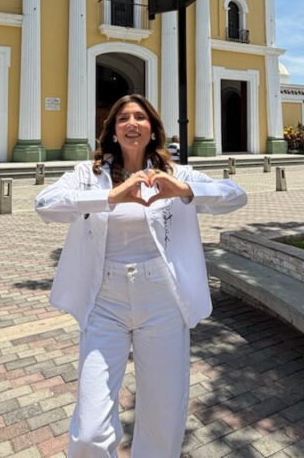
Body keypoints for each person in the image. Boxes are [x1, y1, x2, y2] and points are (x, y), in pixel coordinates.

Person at [35, 94, 247, 457]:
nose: (132, 123)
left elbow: (235, 196)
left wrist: (185, 190)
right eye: (123, 119)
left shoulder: (174, 174)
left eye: (140, 117)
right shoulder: (90, 175)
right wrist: (110, 197)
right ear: (113, 131)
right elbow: (45, 205)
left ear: (152, 129)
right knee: (89, 429)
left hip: (162, 298)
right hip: (104, 300)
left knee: (163, 415)